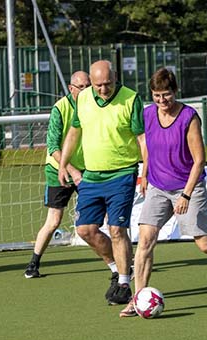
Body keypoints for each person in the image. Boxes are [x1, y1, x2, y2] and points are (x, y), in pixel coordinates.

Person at [119, 68, 207, 317]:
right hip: (157, 186)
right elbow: (147, 147)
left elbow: (199, 161)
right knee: (144, 241)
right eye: (156, 95)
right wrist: (144, 175)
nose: (162, 101)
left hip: (188, 185)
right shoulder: (148, 115)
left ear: (175, 92)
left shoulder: (189, 117)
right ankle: (138, 297)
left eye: (166, 95)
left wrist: (186, 195)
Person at [58, 60, 144, 305]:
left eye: (108, 83)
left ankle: (125, 283)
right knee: (85, 230)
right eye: (98, 85)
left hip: (121, 173)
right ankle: (117, 269)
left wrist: (146, 170)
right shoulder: (83, 99)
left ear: (115, 77)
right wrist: (64, 164)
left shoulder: (130, 99)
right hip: (92, 176)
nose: (103, 89)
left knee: (117, 230)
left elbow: (142, 138)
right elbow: (74, 132)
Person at [23, 71, 121, 280]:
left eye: (89, 86)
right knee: (54, 220)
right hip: (58, 169)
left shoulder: (96, 104)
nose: (87, 90)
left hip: (89, 169)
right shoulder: (60, 108)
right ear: (71, 88)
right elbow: (52, 146)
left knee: (105, 218)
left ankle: (120, 262)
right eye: (82, 87)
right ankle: (33, 263)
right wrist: (70, 169)